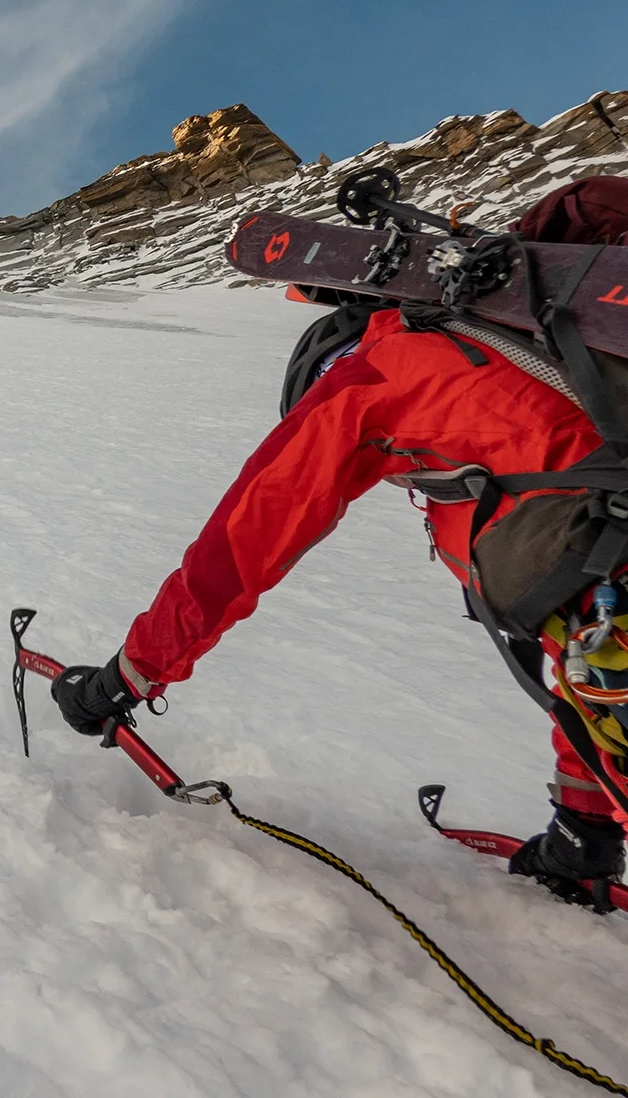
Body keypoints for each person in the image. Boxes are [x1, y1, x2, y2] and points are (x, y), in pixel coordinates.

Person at [50, 175, 628, 903]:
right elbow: (579, 657)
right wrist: (584, 831)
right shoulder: (562, 346)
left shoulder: (375, 374)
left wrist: (122, 680)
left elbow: (236, 552)